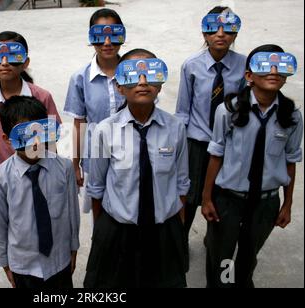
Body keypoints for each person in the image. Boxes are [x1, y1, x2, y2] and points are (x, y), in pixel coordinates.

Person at [84, 49, 190, 288]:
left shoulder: (175, 128)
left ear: (160, 85)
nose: (142, 82)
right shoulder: (103, 130)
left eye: (150, 74)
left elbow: (182, 183)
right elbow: (97, 187)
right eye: (132, 74)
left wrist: (176, 225)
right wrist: (103, 231)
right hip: (119, 230)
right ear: (120, 87)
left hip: (163, 229)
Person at [202, 44, 303, 288]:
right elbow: (216, 156)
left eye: (280, 66)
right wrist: (207, 198)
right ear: (249, 76)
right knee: (222, 258)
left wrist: (287, 203)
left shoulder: (292, 116)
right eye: (265, 65)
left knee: (249, 255)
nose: (273, 71)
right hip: (229, 199)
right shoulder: (228, 111)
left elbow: (290, 161)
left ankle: (243, 282)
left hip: (265, 202)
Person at [175, 6, 246, 246]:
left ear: (235, 34)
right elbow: (183, 110)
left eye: (227, 29)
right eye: (213, 29)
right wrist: (180, 146)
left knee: (221, 195)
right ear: (204, 34)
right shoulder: (191, 66)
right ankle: (180, 242)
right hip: (197, 142)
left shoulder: (244, 67)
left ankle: (213, 239)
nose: (220, 34)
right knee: (189, 196)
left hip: (228, 143)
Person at [0, 96, 80, 288]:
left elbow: (72, 211)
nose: (34, 141)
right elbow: (0, 222)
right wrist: (5, 262)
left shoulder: (63, 167)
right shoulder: (0, 177)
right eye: (25, 135)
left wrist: (73, 247)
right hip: (23, 264)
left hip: (59, 259)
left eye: (39, 132)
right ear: (7, 140)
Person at [0, 31, 61, 217]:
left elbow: (52, 144)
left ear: (26, 62)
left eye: (13, 56)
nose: (4, 63)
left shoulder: (42, 97)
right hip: (3, 180)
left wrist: (55, 181)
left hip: (39, 176)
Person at [64, 8, 126, 220]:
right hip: (96, 156)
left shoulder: (135, 73)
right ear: (90, 38)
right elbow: (79, 123)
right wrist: (75, 164)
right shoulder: (80, 78)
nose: (107, 42)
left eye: (113, 34)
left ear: (123, 35)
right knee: (100, 212)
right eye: (99, 36)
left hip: (130, 153)